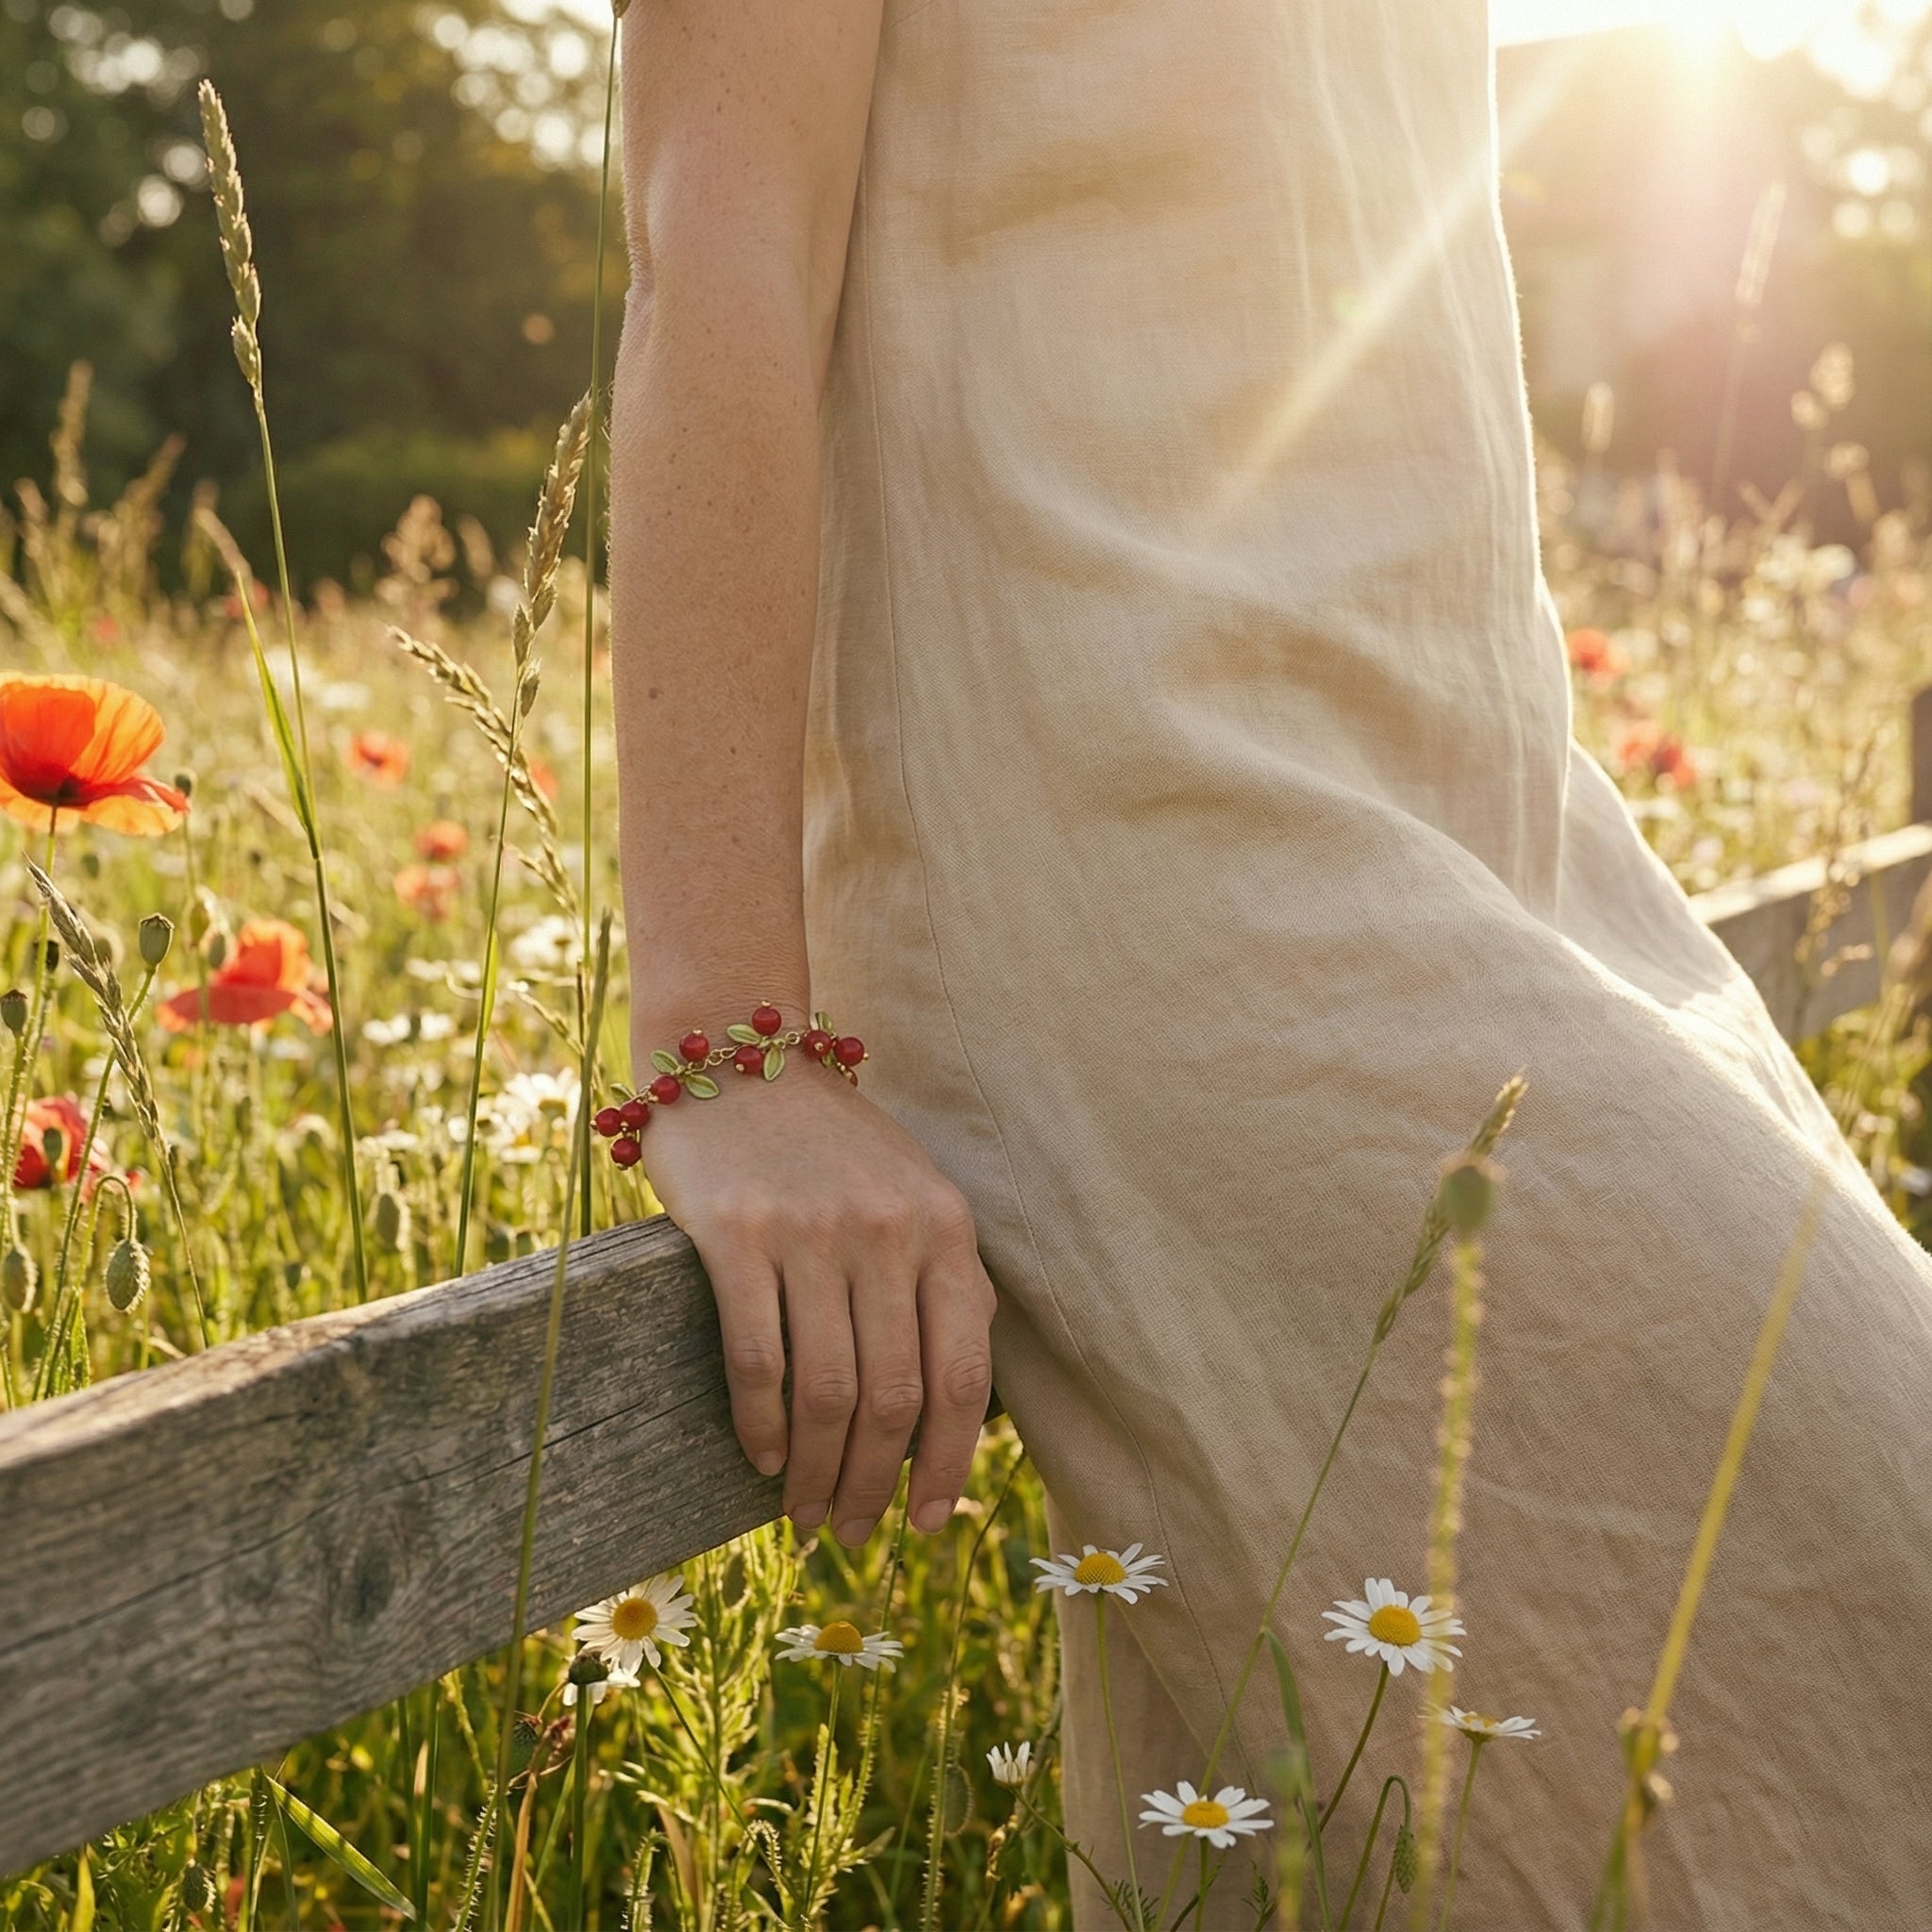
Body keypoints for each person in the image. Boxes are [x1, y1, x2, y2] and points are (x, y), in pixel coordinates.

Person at [606, 3, 1932, 1924]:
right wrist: (729, 1047)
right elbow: (713, 230)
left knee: (1301, 1839)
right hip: (1157, 858)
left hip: (1490, 818)